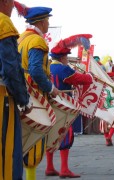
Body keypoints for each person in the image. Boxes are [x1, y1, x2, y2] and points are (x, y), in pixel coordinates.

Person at [15, 2, 59, 180]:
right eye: (47, 21)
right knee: (34, 141)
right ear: (41, 22)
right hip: (34, 93)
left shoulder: (20, 37)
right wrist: (50, 88)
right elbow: (35, 69)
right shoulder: (37, 41)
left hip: (19, 88)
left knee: (21, 138)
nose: (48, 24)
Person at [45, 45, 93, 178]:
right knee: (65, 135)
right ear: (62, 57)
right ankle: (64, 169)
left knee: (51, 135)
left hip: (49, 106)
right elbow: (82, 80)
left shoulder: (48, 67)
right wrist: (89, 75)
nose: (67, 59)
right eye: (66, 56)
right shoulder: (63, 69)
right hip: (63, 107)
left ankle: (49, 166)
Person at [0, 0, 33, 179]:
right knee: (8, 156)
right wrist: (23, 99)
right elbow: (11, 68)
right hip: (2, 99)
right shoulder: (3, 22)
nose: (13, 7)